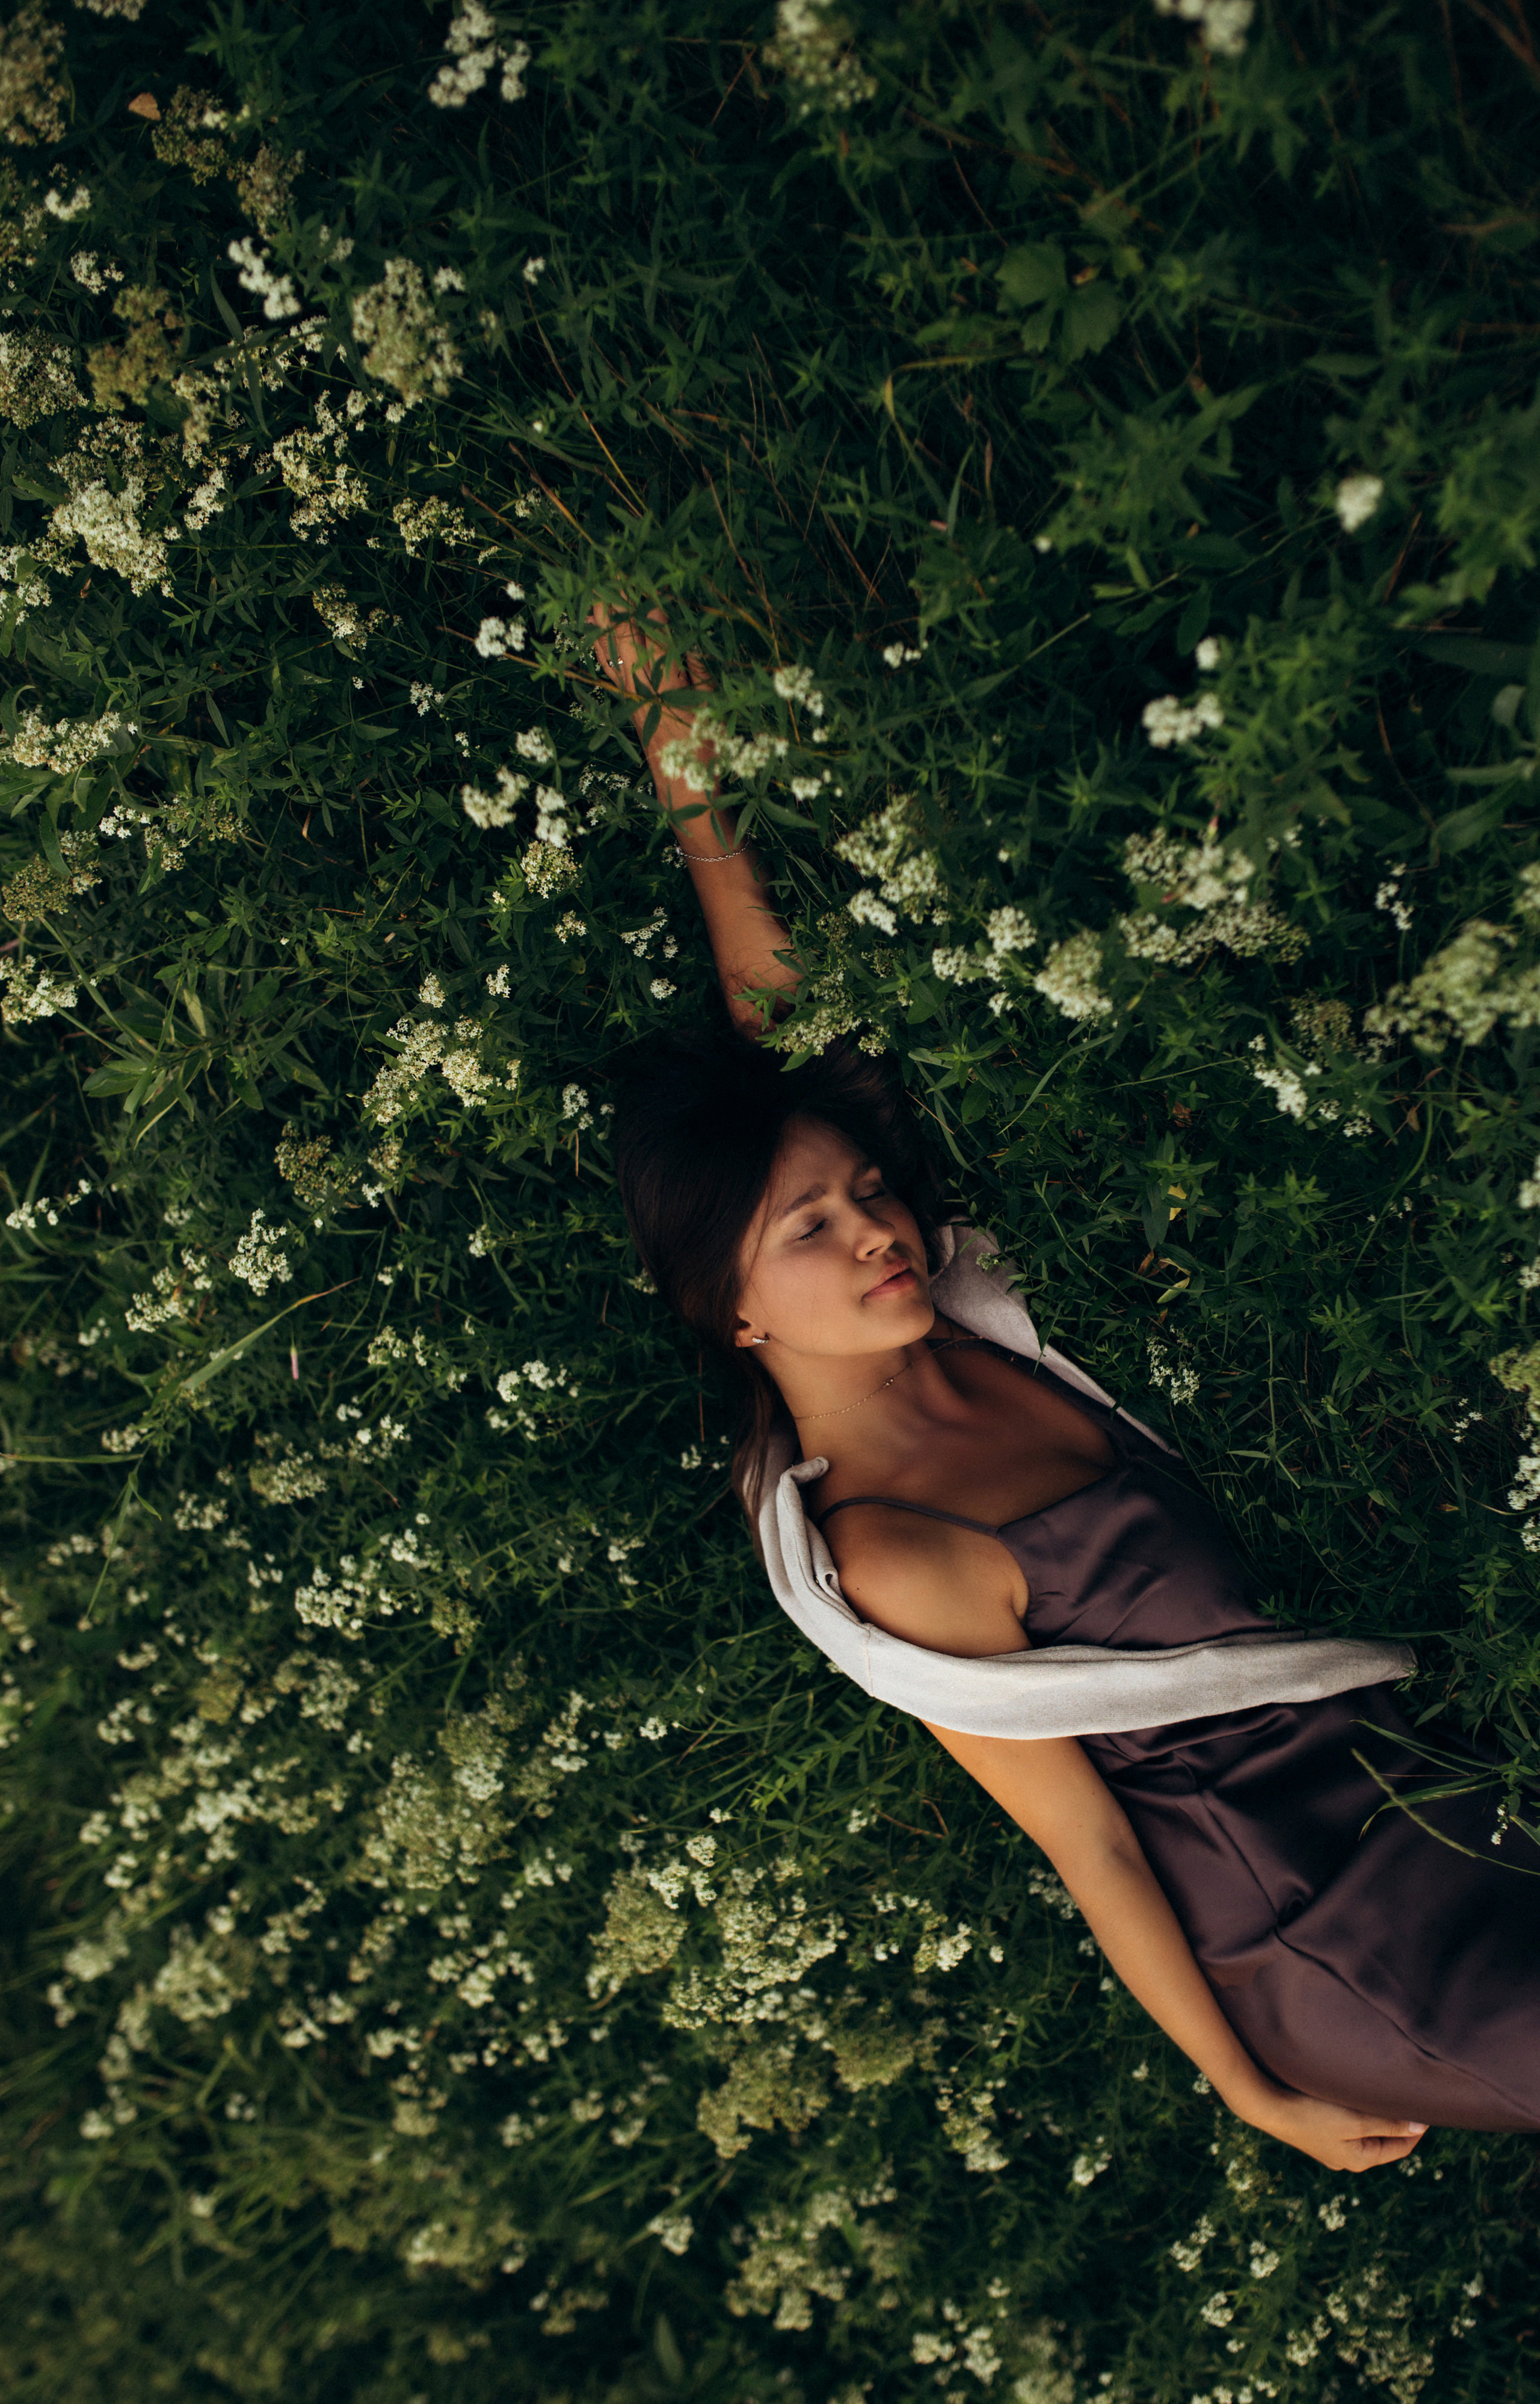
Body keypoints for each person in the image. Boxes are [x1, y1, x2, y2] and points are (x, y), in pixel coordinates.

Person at [589, 603, 1540, 2172]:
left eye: (870, 1192)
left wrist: (690, 779)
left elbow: (793, 1042)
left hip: (1420, 1778)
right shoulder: (895, 1553)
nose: (880, 1231)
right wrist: (1247, 2085)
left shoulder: (960, 1319)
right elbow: (1090, 1835)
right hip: (1321, 1928)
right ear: (732, 1314)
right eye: (812, 1233)